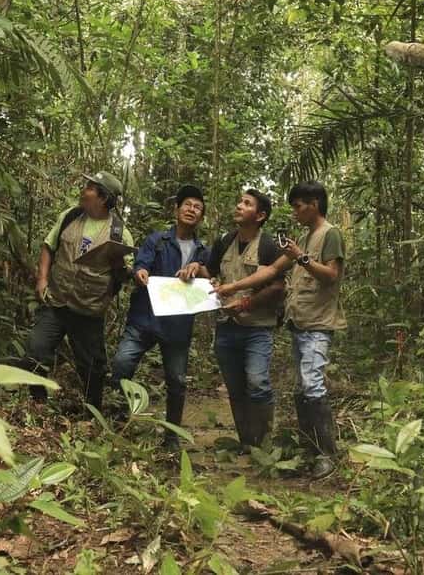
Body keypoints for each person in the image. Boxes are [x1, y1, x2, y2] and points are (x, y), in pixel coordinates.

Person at [215, 181, 345, 478]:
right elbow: (272, 270)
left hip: (318, 324)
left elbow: (331, 275)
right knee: (302, 388)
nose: (295, 212)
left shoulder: (330, 234)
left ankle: (326, 454)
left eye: (298, 206)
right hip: (300, 322)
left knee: (312, 385)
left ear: (313, 204)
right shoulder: (304, 236)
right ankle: (308, 448)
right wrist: (233, 287)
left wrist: (301, 257)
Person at [182, 189, 285, 453]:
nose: (239, 206)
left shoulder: (268, 245)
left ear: (260, 215)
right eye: (239, 201)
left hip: (257, 328)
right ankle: (245, 442)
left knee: (257, 382)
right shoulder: (225, 241)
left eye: (247, 204)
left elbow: (277, 288)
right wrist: (196, 266)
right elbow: (211, 273)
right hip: (226, 327)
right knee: (235, 387)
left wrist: (246, 303)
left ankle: (263, 445)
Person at [25, 171, 134, 413]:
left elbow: (124, 276)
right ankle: (38, 404)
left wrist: (119, 264)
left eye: (90, 188)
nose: (83, 190)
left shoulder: (119, 233)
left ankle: (91, 413)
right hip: (57, 301)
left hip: (88, 309)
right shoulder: (70, 216)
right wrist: (42, 279)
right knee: (35, 349)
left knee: (93, 367)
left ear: (103, 198)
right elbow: (48, 246)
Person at [111, 185, 209, 450]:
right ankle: (120, 420)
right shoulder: (157, 240)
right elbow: (141, 264)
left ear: (201, 217)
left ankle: (171, 437)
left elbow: (211, 281)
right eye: (187, 204)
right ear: (177, 210)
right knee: (121, 364)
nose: (191, 210)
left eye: (197, 207)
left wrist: (199, 269)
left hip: (177, 325)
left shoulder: (202, 250)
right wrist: (140, 272)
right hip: (145, 318)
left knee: (176, 381)